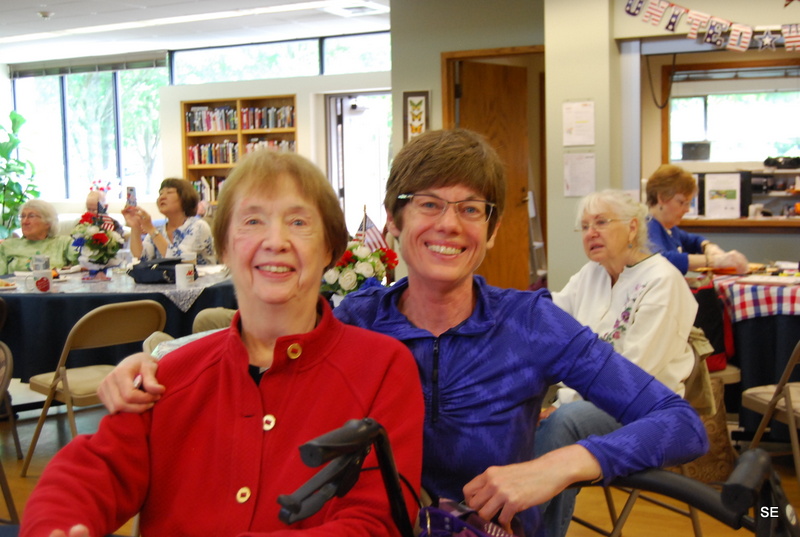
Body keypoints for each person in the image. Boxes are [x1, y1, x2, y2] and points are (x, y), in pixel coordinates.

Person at [98, 129, 708, 537]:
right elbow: (258, 347)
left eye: (472, 209)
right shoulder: (359, 318)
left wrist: (561, 463)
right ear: (393, 221)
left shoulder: (531, 323)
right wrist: (152, 362)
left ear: (491, 231)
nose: (451, 225)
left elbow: (678, 422)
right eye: (429, 205)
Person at [19, 150, 425, 537]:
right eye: (252, 221)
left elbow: (379, 519)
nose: (276, 240)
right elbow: (93, 471)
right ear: (225, 248)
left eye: (299, 222)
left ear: (330, 249)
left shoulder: (383, 368)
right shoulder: (170, 375)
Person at [535, 189, 698, 537]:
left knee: (564, 424)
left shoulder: (662, 280)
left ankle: (520, 528)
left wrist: (561, 402)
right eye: (584, 226)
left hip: (646, 410)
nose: (591, 232)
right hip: (583, 405)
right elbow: (551, 320)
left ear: (632, 227)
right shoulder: (589, 275)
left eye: (601, 222)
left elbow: (636, 374)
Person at [646, 164, 749, 274]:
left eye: (688, 203)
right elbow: (661, 259)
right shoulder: (647, 228)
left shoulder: (669, 229)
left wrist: (708, 247)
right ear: (661, 198)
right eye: (682, 202)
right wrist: (712, 260)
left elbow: (693, 240)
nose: (687, 210)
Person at [122, 178, 216, 265]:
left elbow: (180, 260)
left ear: (184, 198)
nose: (162, 197)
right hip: (167, 282)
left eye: (169, 192)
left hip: (202, 281)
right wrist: (134, 226)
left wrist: (151, 229)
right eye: (160, 194)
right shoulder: (159, 230)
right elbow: (140, 258)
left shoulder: (198, 226)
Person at [0, 199, 78, 274]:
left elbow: (84, 262)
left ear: (48, 222)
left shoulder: (63, 243)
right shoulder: (7, 246)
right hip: (16, 286)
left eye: (31, 216)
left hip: (55, 286)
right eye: (23, 216)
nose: (24, 221)